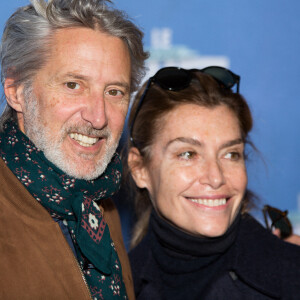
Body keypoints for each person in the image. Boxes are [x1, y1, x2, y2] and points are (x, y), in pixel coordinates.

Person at [0, 0, 148, 299]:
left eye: (114, 92)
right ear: (16, 91)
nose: (98, 117)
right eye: (73, 85)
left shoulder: (97, 202)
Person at [125, 66, 300, 299]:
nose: (216, 177)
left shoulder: (288, 277)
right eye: (188, 154)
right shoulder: (116, 288)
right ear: (140, 168)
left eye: (230, 154)